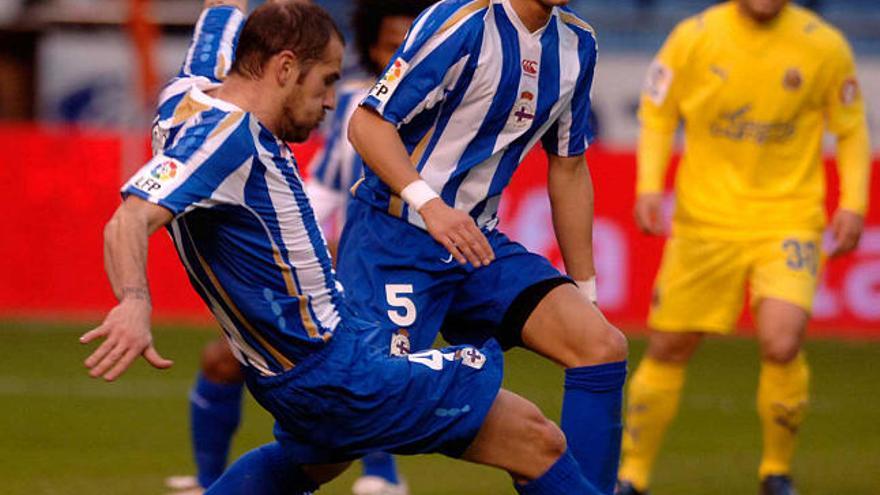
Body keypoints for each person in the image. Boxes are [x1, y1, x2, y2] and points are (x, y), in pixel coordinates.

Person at [80, 1, 603, 494]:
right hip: (341, 372)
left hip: (296, 372)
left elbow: (220, 18)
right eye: (327, 81)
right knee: (538, 440)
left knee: (315, 461)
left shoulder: (187, 94)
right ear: (285, 68)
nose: (332, 101)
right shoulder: (228, 140)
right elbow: (129, 217)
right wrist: (134, 301)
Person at [337, 1, 628, 493]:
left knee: (600, 345)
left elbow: (570, 166)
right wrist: (430, 204)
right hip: (394, 238)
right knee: (342, 431)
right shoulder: (461, 20)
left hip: (476, 246)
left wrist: (587, 291)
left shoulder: (579, 44)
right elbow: (368, 124)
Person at [166, 2, 431, 493]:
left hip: (415, 265)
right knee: (224, 361)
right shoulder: (357, 106)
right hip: (344, 263)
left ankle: (380, 474)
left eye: (412, 48)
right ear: (374, 51)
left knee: (375, 367)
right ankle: (210, 480)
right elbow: (327, 186)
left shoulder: (450, 106)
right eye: (394, 49)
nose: (404, 60)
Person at [616, 1, 871, 494]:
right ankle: (633, 475)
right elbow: (659, 111)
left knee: (782, 340)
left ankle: (776, 472)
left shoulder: (823, 45)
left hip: (788, 218)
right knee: (669, 345)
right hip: (705, 222)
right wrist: (649, 185)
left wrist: (854, 203)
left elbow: (851, 126)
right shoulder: (694, 37)